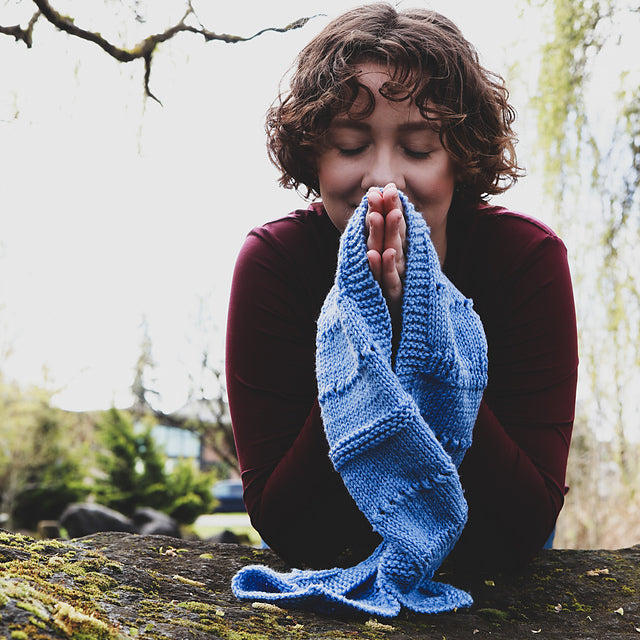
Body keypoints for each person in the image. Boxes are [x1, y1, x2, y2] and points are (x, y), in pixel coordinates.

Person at [226, 3, 578, 575]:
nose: (384, 177)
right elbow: (289, 524)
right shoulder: (276, 265)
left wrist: (427, 325)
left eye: (418, 148)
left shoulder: (526, 261)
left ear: (460, 160)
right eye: (349, 144)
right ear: (313, 154)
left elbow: (523, 523)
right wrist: (364, 335)